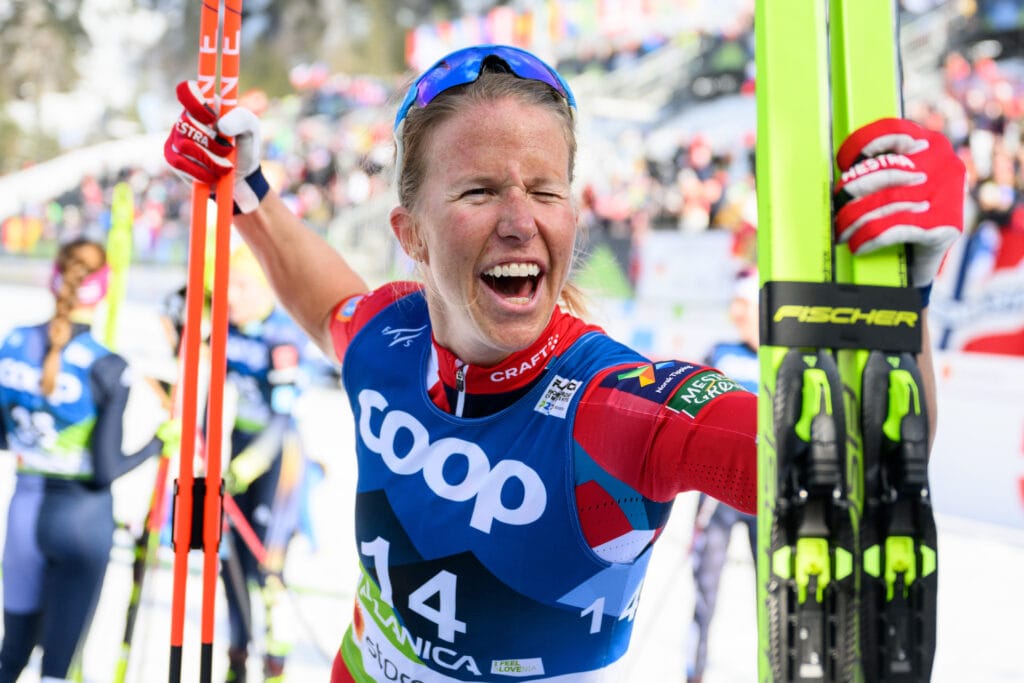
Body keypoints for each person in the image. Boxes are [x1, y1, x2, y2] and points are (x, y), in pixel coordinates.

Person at [163, 44, 964, 682]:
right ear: (410, 234)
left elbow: (859, 470)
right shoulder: (389, 340)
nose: (519, 220)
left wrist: (900, 302)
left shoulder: (626, 406)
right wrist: (245, 191)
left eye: (545, 190)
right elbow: (325, 302)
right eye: (479, 190)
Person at [0, 238, 177, 683]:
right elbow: (105, 470)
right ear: (102, 290)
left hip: (24, 513)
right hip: (82, 520)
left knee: (11, 656)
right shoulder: (108, 365)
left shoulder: (15, 342)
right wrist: (160, 440)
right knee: (57, 669)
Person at [217, 242, 311, 683]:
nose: (228, 295)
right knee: (229, 561)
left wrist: (246, 465)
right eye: (226, 284)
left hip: (275, 458)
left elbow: (282, 418)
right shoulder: (223, 328)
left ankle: (275, 665)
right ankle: (236, 658)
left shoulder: (282, 336)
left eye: (239, 285)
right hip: (233, 453)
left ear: (262, 288)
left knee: (267, 570)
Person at [684, 268, 759, 683]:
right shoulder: (721, 351)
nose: (736, 314)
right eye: (734, 305)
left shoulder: (790, 357)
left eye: (744, 306)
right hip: (717, 497)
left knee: (775, 592)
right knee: (704, 594)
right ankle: (693, 673)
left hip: (768, 498)